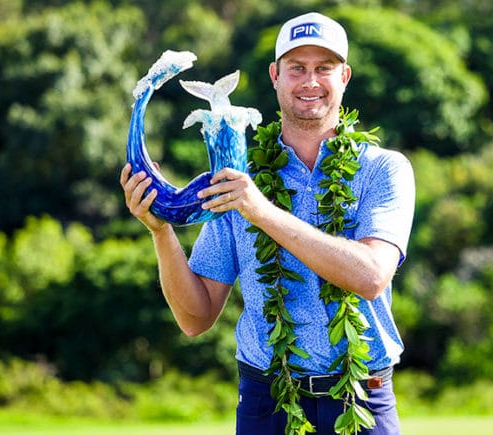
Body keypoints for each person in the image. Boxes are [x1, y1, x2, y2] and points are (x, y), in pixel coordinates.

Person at [120, 11, 415, 435]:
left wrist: (260, 210)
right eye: (297, 68)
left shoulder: (384, 170)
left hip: (361, 397)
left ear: (345, 76)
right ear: (276, 75)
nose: (310, 81)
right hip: (267, 401)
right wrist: (160, 230)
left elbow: (370, 276)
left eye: (323, 69)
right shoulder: (237, 176)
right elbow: (196, 317)